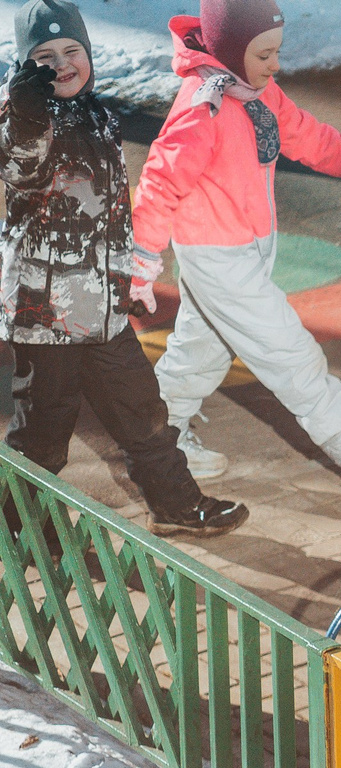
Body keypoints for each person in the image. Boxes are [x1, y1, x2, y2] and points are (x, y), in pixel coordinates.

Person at [129, 1, 341, 504]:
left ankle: (157, 446)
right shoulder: (202, 107)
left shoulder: (256, 91)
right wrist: (142, 262)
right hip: (218, 256)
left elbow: (310, 138)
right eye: (264, 54)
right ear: (231, 50)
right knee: (291, 356)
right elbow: (159, 183)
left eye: (277, 51)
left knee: (200, 353)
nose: (275, 64)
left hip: (248, 248)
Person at [1, 1, 244, 536]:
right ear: (23, 66)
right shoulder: (21, 120)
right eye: (44, 56)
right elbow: (20, 165)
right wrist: (24, 113)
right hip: (49, 317)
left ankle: (178, 505)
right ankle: (18, 529)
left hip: (103, 306)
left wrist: (127, 278)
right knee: (45, 432)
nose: (61, 65)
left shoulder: (96, 113)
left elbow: (111, 211)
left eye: (72, 52)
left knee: (145, 414)